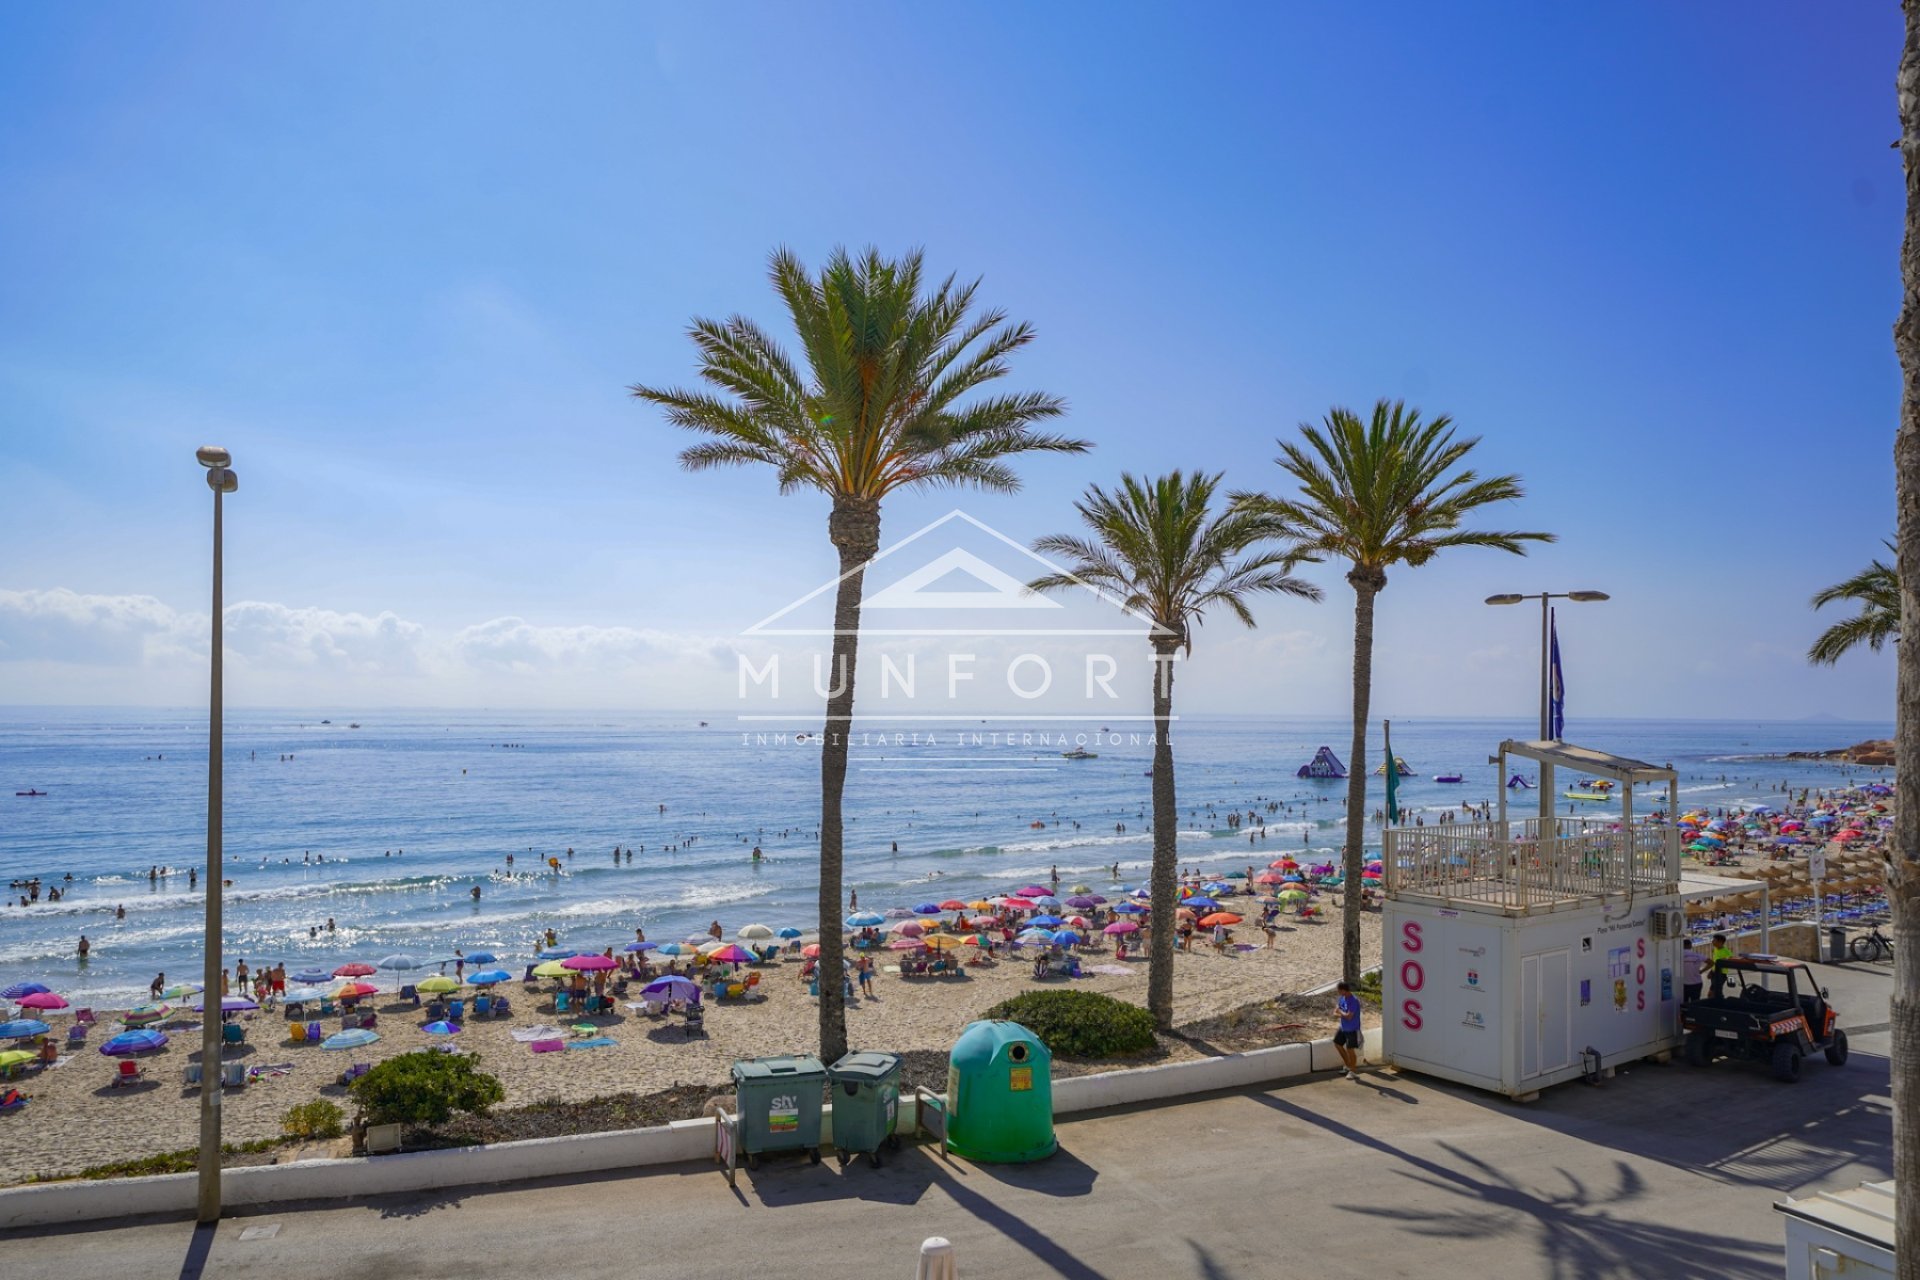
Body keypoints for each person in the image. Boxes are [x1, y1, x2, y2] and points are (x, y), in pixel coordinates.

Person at [1333, 981, 1364, 1080]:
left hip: (1352, 1029)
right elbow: (1335, 1012)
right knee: (1337, 1044)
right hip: (1343, 1027)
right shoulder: (1342, 998)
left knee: (1350, 1050)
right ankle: (1348, 1065)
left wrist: (1340, 1012)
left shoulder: (1353, 1001)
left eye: (1339, 991)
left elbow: (1349, 1017)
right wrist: (1341, 1013)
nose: (1338, 993)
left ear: (1343, 990)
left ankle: (1353, 1071)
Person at [1708, 933, 1733, 999]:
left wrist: (1726, 959)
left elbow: (1730, 959)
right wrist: (1711, 971)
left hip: (1721, 974)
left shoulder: (1726, 952)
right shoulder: (1715, 949)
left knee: (1714, 992)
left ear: (1720, 942)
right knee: (1715, 992)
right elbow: (1715, 962)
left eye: (1714, 940)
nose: (1712, 941)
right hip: (1714, 972)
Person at [1680, 939, 1706, 1004]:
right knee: (1695, 1003)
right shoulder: (1698, 955)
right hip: (1696, 983)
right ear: (1690, 945)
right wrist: (1702, 971)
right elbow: (1711, 962)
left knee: (1684, 1003)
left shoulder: (1678, 956)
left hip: (1683, 984)